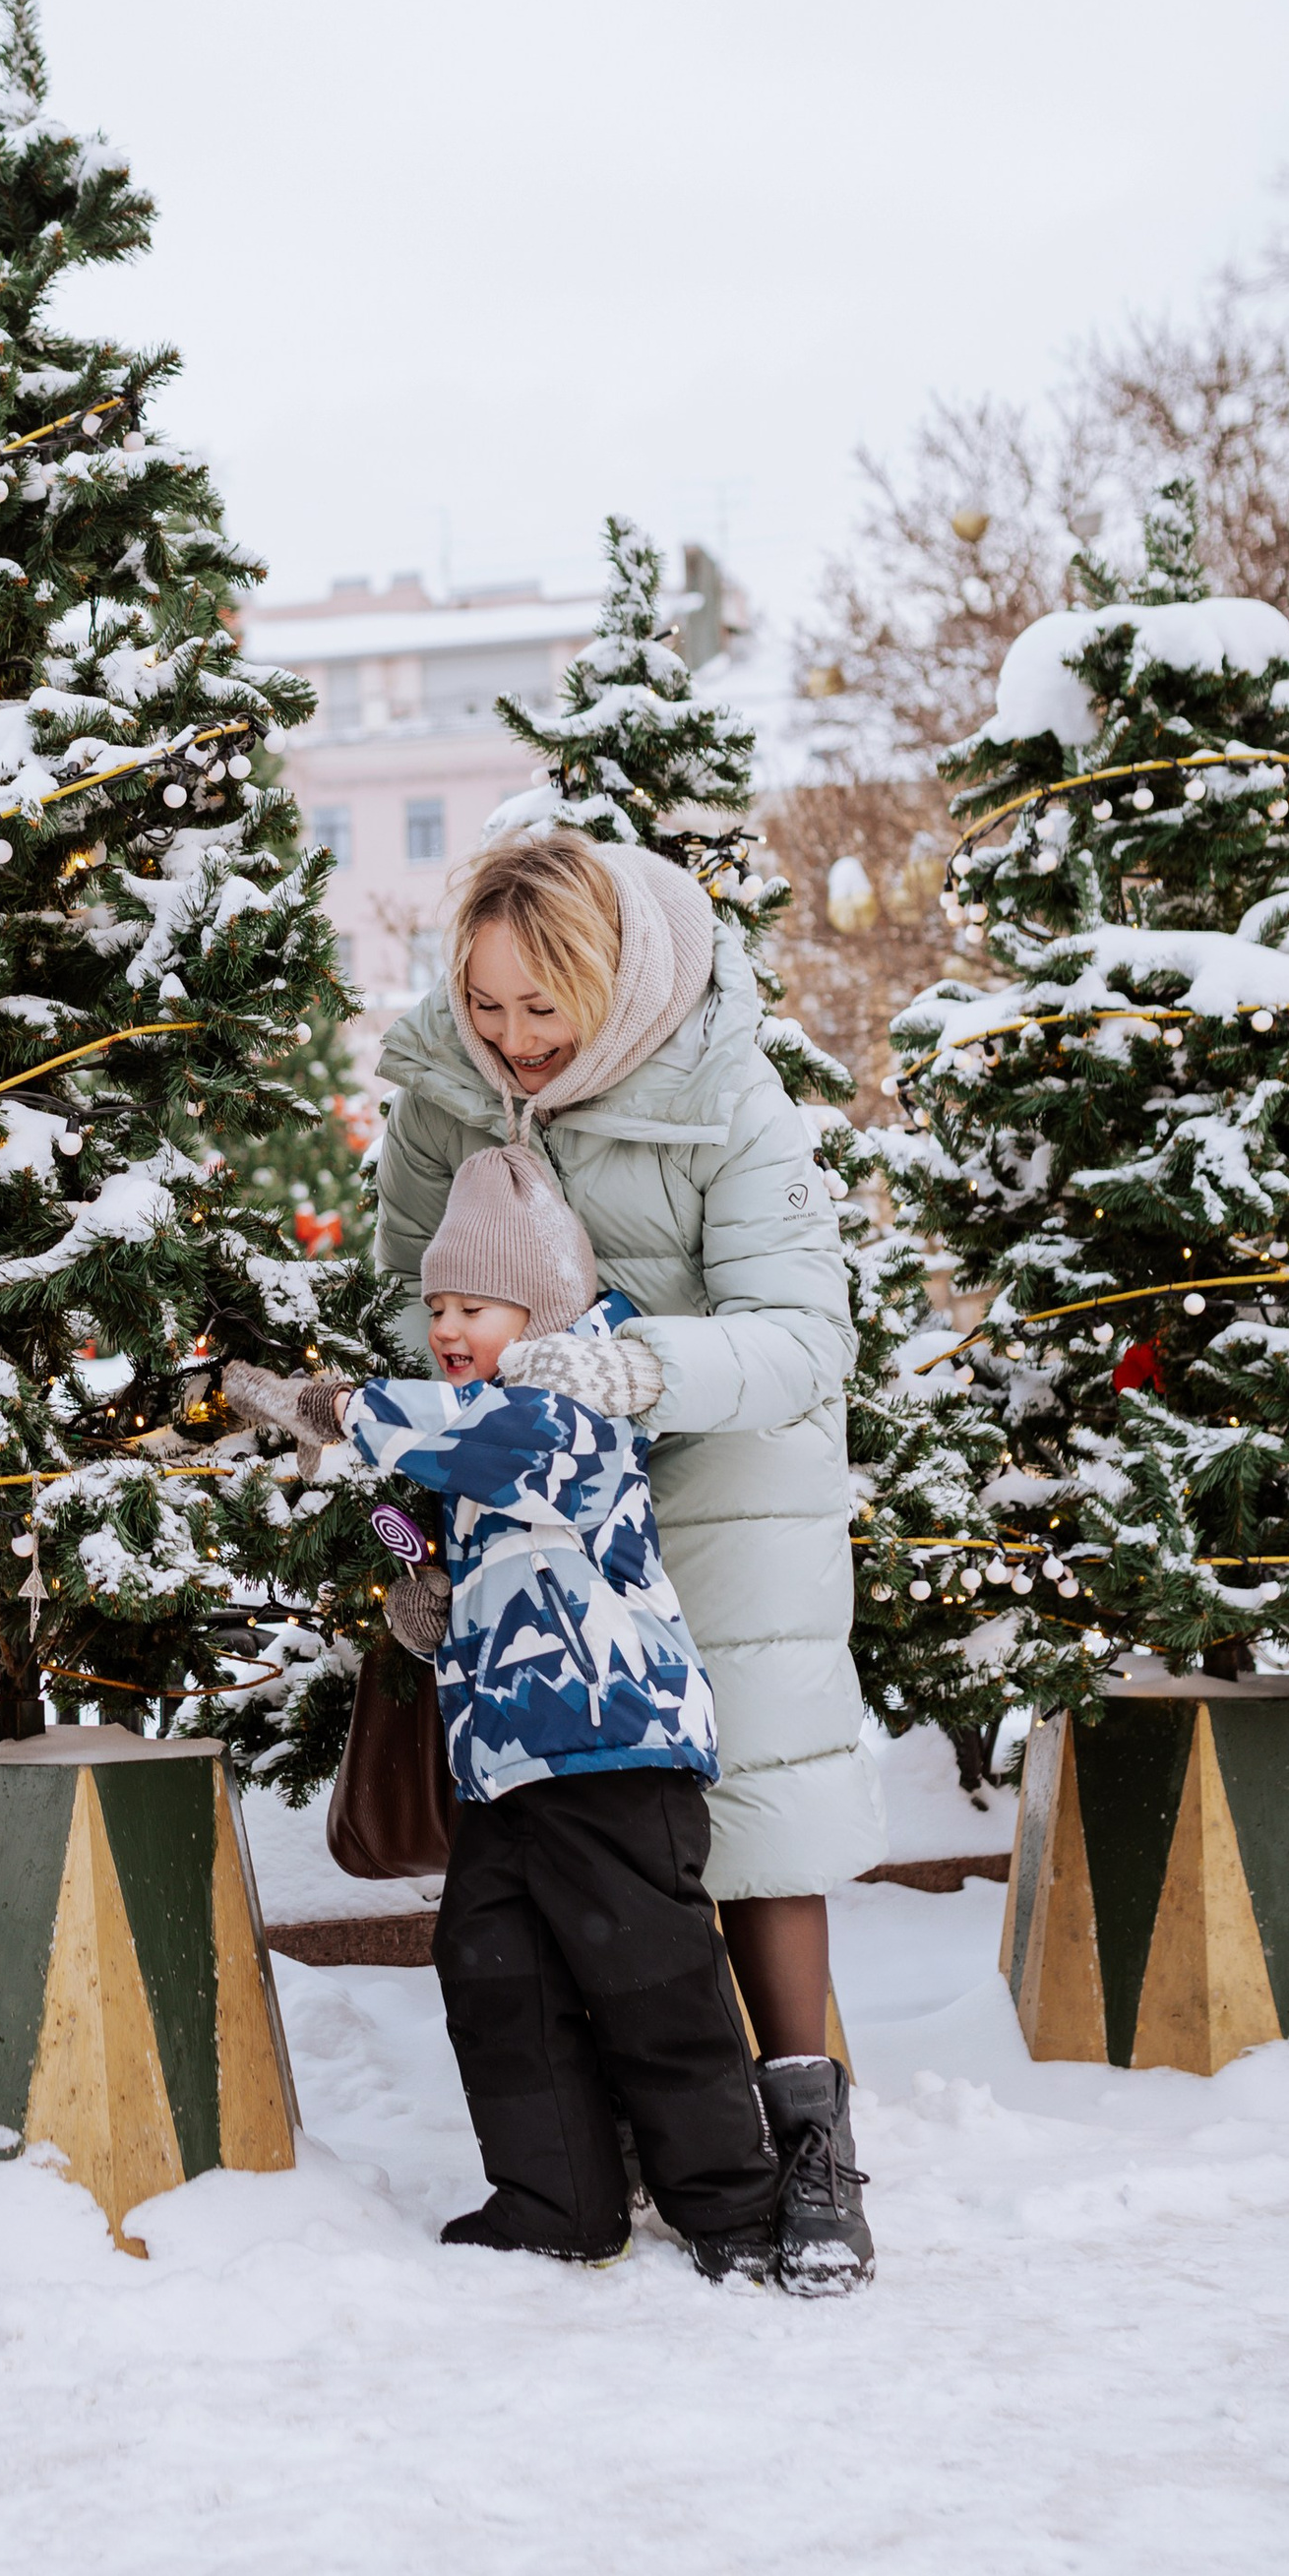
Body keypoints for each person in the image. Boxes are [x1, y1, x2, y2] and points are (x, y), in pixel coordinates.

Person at [370, 826, 879, 2290]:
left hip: (717, 1473)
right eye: (487, 1008)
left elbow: (805, 1334)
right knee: (570, 1831)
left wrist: (632, 1374)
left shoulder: (723, 1086)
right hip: (539, 1521)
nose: (514, 1044)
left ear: (614, 983)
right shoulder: (444, 1087)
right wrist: (431, 1513)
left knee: (757, 1807)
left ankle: (809, 2146)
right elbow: (412, 1299)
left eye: (546, 1011)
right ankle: (594, 2153)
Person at [231, 1147, 786, 2278]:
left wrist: (339, 1405)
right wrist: (427, 1590)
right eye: (436, 1305)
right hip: (505, 1767)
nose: (445, 1325)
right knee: (495, 1975)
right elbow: (457, 1519)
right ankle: (558, 2199)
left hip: (612, 1750)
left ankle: (730, 2206)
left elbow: (487, 1444)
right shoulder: (472, 1434)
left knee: (651, 1981)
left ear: (538, 1317)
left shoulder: (567, 1406)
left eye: (472, 1306)